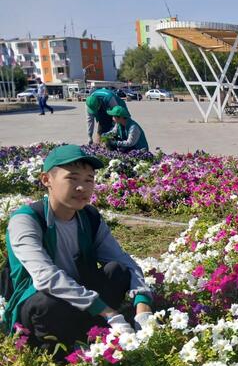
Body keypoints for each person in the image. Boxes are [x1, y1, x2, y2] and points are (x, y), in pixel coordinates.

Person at [3, 145, 153, 353]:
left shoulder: (89, 218)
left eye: (88, 179)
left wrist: (142, 304)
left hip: (81, 299)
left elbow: (123, 260)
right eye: (72, 178)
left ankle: (89, 333)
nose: (82, 187)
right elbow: (46, 277)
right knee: (45, 305)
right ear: (46, 180)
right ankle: (57, 349)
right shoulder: (26, 220)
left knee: (117, 270)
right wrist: (109, 312)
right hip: (44, 303)